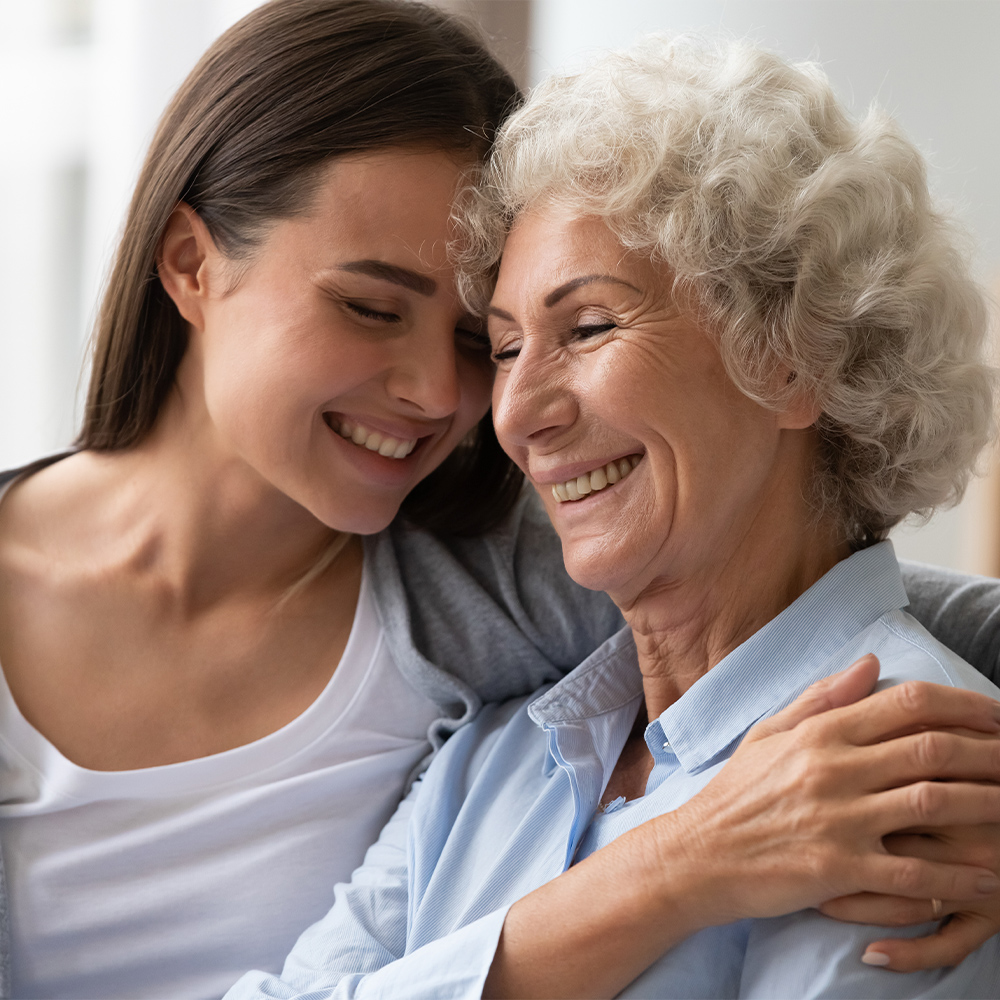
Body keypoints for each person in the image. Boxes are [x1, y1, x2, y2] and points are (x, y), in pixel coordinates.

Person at [0, 4, 998, 997]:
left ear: (791, 358)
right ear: (189, 265)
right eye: (507, 343)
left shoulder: (886, 774)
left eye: (581, 327)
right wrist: (672, 868)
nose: (477, 404)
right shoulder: (499, 749)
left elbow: (849, 604)